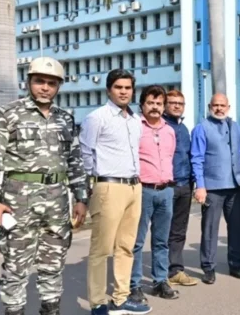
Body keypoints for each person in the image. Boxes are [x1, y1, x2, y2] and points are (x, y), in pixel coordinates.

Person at [0, 57, 88, 315]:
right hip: (18, 203)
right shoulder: (7, 114)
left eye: (52, 83)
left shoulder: (65, 119)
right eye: (39, 81)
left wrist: (81, 197)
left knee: (54, 264)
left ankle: (51, 309)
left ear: (58, 86)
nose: (45, 87)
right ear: (28, 82)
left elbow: (74, 161)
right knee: (16, 266)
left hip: (56, 203)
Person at [81, 69, 149, 315]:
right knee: (101, 249)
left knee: (126, 246)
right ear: (109, 90)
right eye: (118, 87)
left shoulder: (135, 120)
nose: (123, 92)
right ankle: (98, 303)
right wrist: (93, 184)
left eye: (127, 88)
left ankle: (120, 299)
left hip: (134, 186)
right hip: (109, 186)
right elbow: (85, 154)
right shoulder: (96, 118)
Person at [191, 93, 240, 283]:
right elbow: (197, 158)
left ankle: (236, 265)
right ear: (210, 107)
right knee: (210, 229)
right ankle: (208, 267)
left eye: (222, 105)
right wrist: (200, 186)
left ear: (228, 107)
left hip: (235, 186)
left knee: (236, 228)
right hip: (212, 187)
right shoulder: (202, 128)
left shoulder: (235, 126)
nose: (219, 109)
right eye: (215, 105)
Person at [130, 86, 178, 301]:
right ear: (142, 105)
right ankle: (134, 285)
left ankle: (160, 281)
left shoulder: (169, 131)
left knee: (161, 241)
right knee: (137, 242)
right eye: (150, 103)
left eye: (159, 103)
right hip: (143, 191)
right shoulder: (135, 128)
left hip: (166, 191)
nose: (155, 107)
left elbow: (170, 157)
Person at [164, 89, 198, 287]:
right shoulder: (161, 126)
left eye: (180, 103)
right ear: (165, 104)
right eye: (173, 102)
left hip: (185, 185)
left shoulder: (183, 128)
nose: (177, 106)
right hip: (166, 186)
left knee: (178, 230)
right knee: (162, 231)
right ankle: (160, 273)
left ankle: (175, 270)